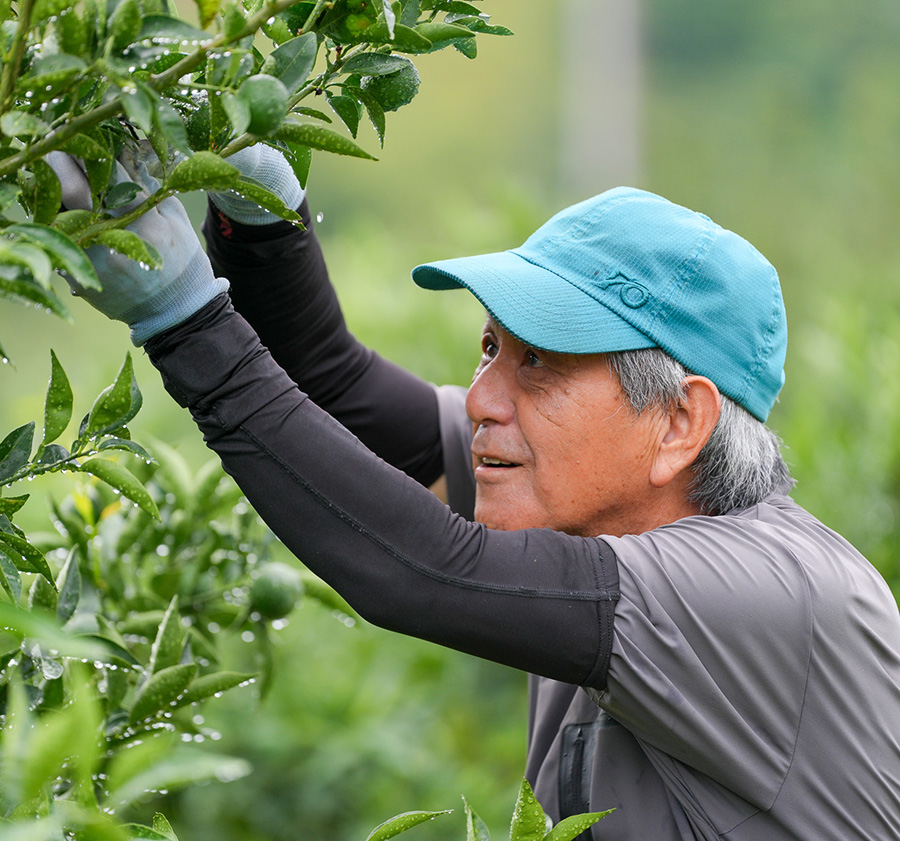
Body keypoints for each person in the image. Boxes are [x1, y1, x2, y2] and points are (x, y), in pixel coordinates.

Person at [49, 148, 900, 840]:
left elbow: (425, 571)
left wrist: (186, 322)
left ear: (680, 422)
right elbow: (343, 396)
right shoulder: (589, 508)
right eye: (491, 347)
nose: (487, 395)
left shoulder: (778, 594)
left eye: (541, 362)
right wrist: (256, 213)